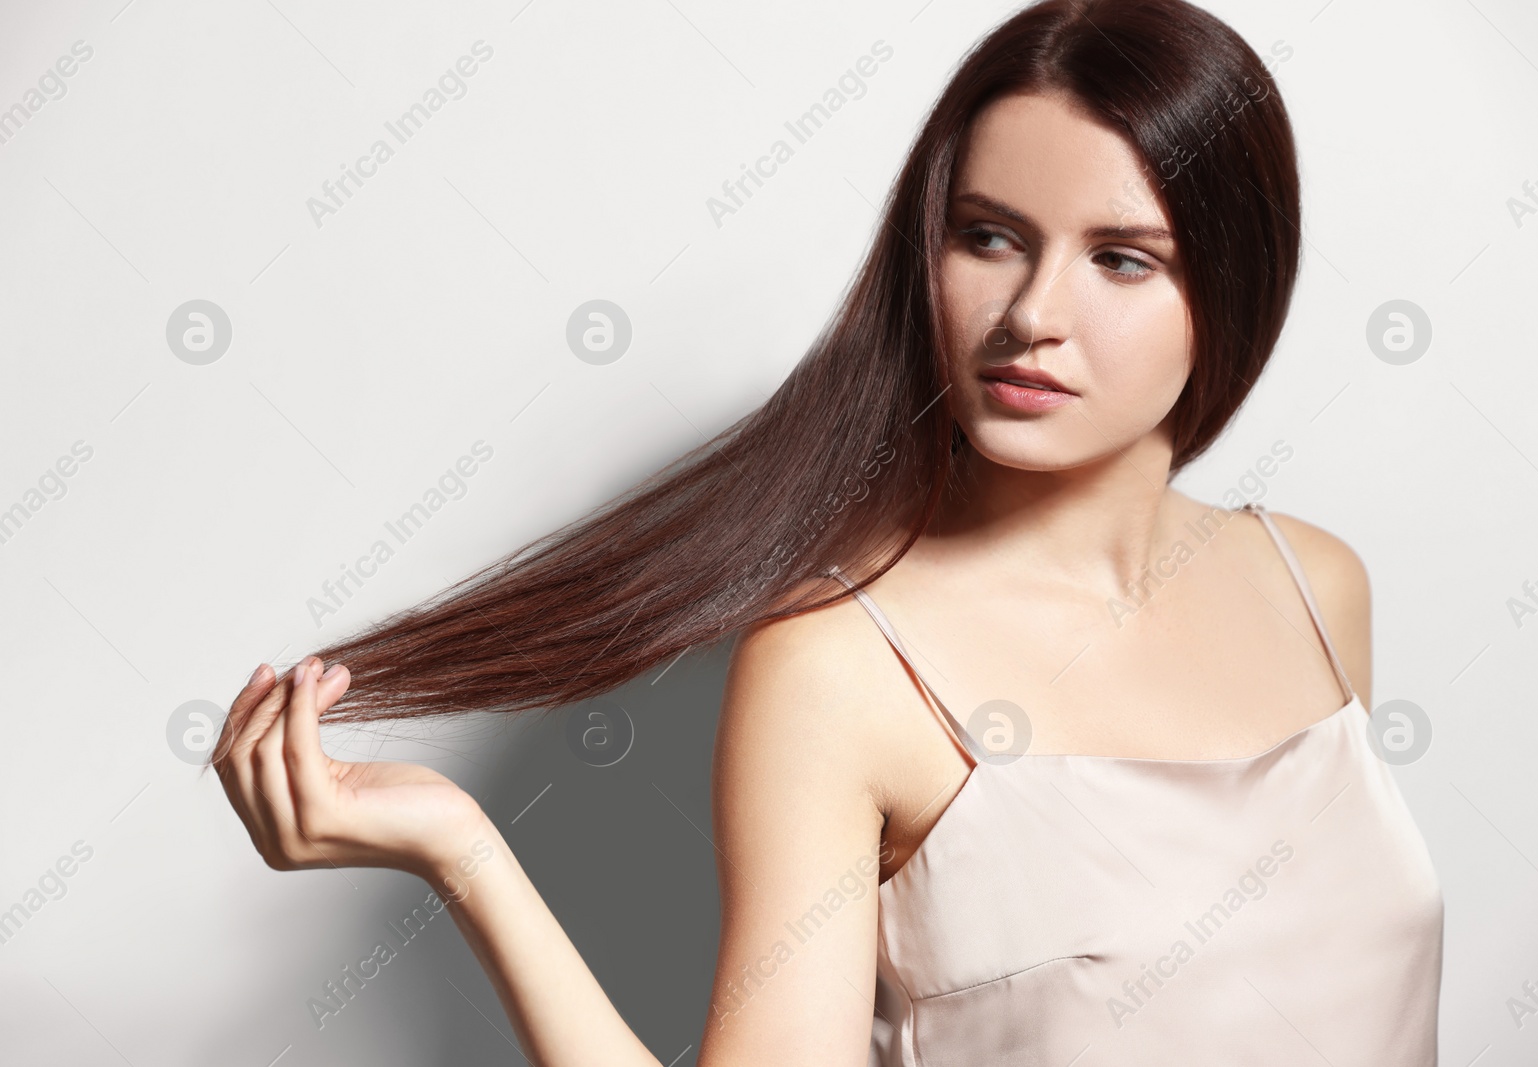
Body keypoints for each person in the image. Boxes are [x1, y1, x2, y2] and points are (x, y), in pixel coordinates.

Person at [211, 1, 1444, 1062]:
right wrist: (459, 848)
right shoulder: (841, 668)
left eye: (1122, 259)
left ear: (1230, 286)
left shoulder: (1314, 585)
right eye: (989, 236)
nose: (1030, 314)